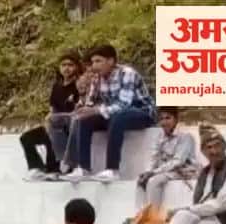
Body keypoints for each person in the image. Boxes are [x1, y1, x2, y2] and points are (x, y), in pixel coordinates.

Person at [63, 44, 156, 183]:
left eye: (98, 61)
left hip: (141, 112)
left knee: (118, 116)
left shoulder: (127, 73)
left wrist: (95, 110)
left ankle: (112, 169)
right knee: (84, 120)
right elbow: (91, 102)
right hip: (114, 114)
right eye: (93, 62)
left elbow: (124, 104)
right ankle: (83, 168)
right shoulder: (97, 78)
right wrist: (83, 109)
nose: (95, 65)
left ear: (111, 61)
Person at [19, 51, 83, 181]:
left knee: (53, 132)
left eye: (70, 65)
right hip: (55, 122)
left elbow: (78, 109)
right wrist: (49, 119)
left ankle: (54, 169)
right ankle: (36, 167)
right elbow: (53, 108)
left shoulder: (79, 85)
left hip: (69, 124)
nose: (66, 68)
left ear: (76, 67)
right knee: (26, 138)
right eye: (63, 65)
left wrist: (55, 119)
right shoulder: (57, 86)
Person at [137, 107, 199, 207]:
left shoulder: (186, 137)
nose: (164, 122)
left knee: (154, 181)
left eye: (168, 118)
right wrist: (148, 172)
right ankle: (142, 214)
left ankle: (153, 216)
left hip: (184, 171)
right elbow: (153, 157)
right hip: (167, 171)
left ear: (176, 119)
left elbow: (178, 161)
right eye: (161, 119)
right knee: (141, 180)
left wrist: (153, 173)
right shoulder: (160, 137)